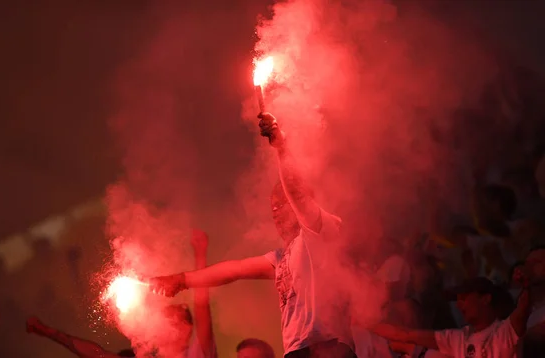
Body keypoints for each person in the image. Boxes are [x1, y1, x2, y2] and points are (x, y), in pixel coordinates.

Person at [147, 112, 354, 357]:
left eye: (281, 204)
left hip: (328, 346)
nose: (275, 212)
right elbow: (235, 270)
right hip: (297, 351)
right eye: (272, 207)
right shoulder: (280, 258)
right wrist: (181, 280)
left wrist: (281, 147)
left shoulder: (320, 230)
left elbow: (297, 193)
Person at [26, 230, 217, 358]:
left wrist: (200, 254)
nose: (161, 318)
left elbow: (202, 306)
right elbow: (98, 355)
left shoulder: (199, 353)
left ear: (185, 328)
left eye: (171, 315)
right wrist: (49, 332)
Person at [365, 276, 532, 358]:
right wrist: (363, 321)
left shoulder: (505, 332)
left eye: (464, 298)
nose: (459, 305)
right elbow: (405, 335)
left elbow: (525, 306)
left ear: (485, 298)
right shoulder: (456, 338)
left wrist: (527, 281)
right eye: (457, 301)